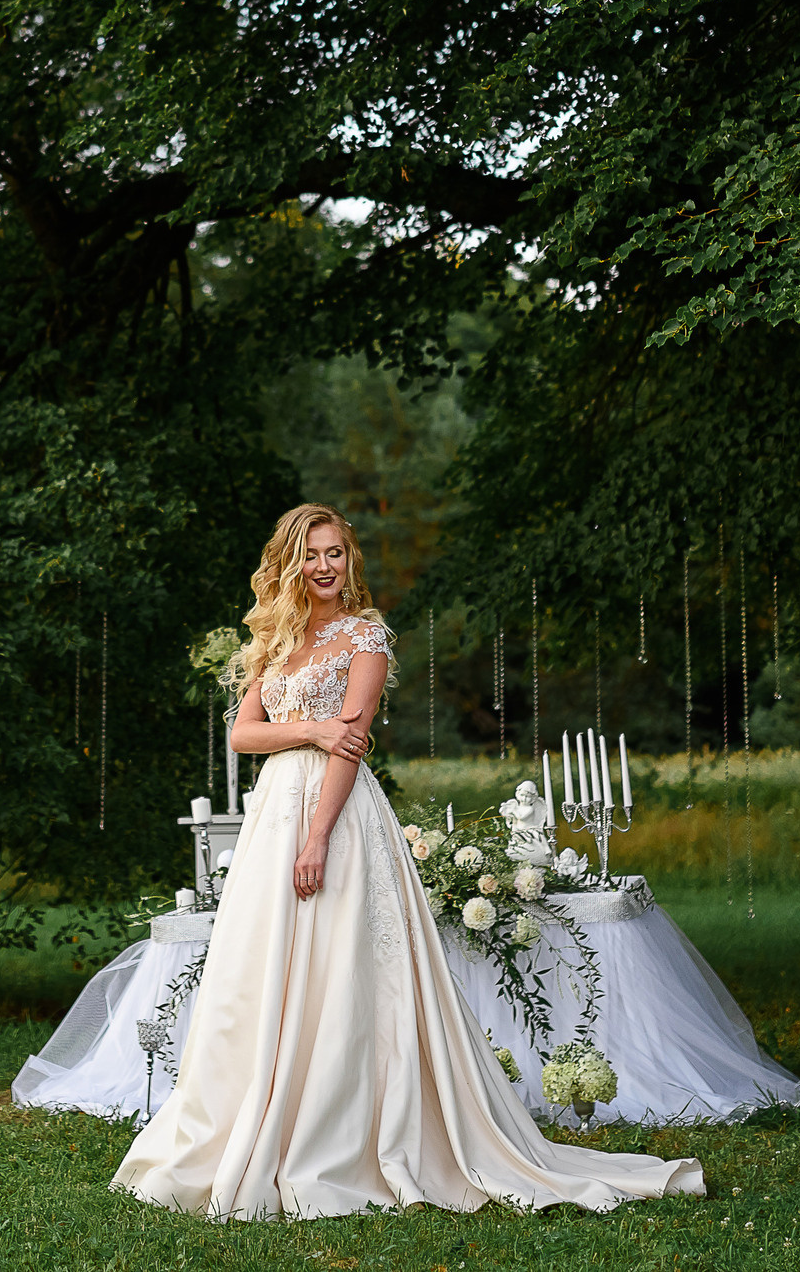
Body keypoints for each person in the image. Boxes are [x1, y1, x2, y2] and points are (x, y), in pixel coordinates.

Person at [113, 503, 707, 1219]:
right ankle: (254, 1113)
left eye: (335, 552)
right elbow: (244, 734)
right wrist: (314, 729)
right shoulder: (276, 638)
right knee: (260, 966)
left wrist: (317, 837)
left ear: (350, 559)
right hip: (274, 814)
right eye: (311, 554)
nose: (325, 566)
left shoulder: (365, 637)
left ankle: (338, 1129)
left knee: (340, 965)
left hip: (337, 817)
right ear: (291, 563)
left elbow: (352, 744)